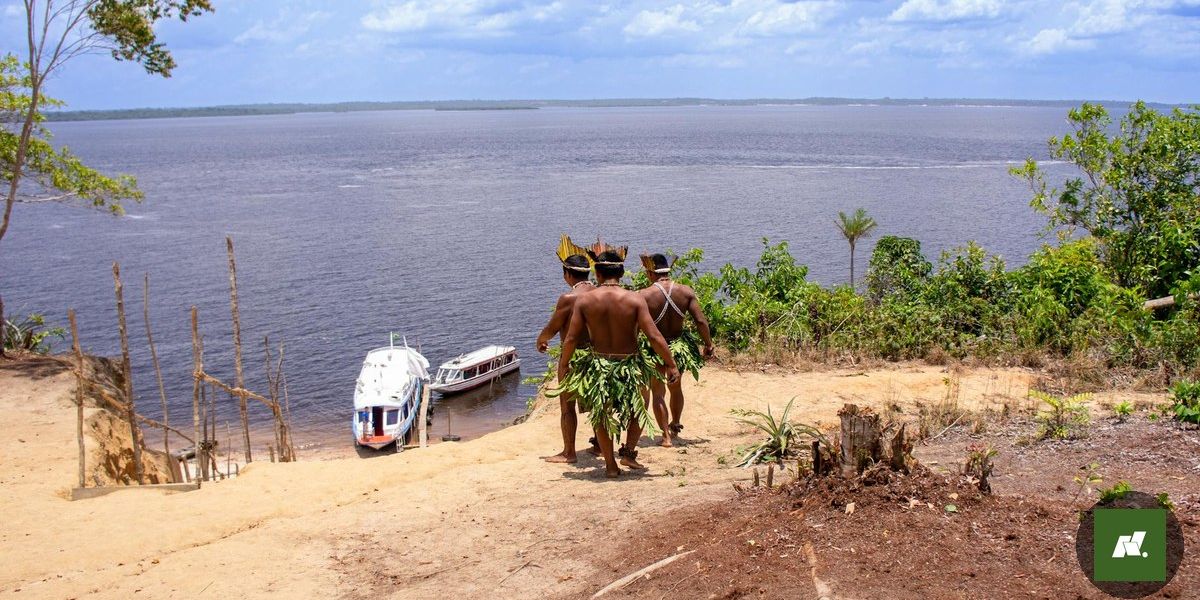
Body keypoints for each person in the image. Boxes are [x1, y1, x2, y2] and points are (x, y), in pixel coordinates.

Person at [556, 240, 680, 478]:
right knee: (638, 408)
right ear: (622, 273)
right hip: (630, 364)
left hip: (598, 364)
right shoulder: (634, 299)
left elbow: (571, 338)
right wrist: (671, 363)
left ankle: (611, 465)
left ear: (597, 273)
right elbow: (654, 335)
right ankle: (629, 451)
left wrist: (564, 364)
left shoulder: (585, 300)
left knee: (602, 413)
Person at [634, 253, 714, 448]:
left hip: (654, 348)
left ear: (650, 272)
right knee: (676, 387)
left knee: (658, 392)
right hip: (679, 346)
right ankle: (675, 425)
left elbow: (635, 327)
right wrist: (708, 344)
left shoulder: (644, 295)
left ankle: (665, 437)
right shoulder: (685, 292)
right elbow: (700, 321)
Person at [536, 235, 595, 464]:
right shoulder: (600, 292)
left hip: (574, 357)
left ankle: (569, 452)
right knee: (600, 403)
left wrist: (541, 340)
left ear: (567, 274)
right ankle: (601, 445)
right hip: (598, 354)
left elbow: (553, 327)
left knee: (567, 406)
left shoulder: (568, 298)